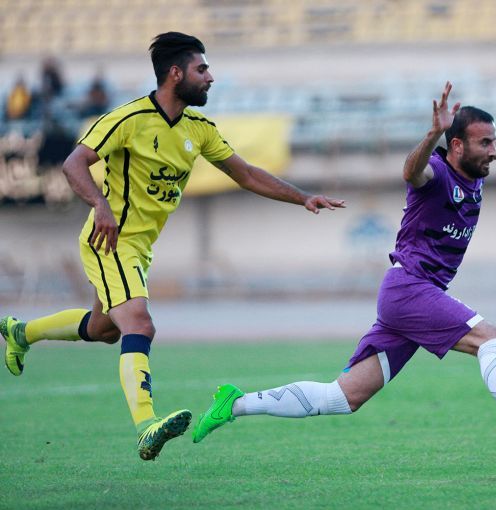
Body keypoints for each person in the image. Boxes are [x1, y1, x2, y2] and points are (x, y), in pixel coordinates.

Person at [193, 82, 496, 461]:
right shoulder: (436, 173)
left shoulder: (473, 165)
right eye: (485, 144)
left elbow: (494, 148)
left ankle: (235, 404)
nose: (493, 151)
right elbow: (410, 171)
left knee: (342, 397)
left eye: (493, 142)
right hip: (411, 288)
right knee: (492, 339)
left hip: (408, 297)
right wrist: (431, 134)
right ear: (456, 146)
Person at [0, 32, 345, 461]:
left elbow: (246, 174)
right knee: (140, 324)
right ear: (176, 74)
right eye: (202, 69)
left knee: (105, 328)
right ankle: (146, 425)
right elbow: (74, 163)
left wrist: (303, 197)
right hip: (110, 240)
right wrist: (100, 206)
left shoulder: (199, 129)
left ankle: (22, 332)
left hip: (139, 248)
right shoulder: (128, 118)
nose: (210, 77)